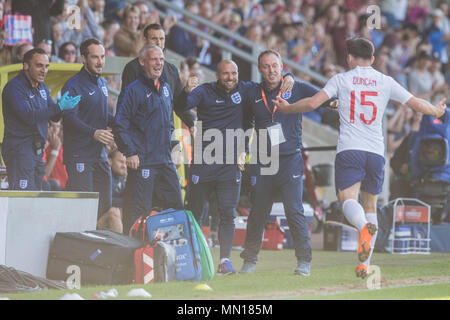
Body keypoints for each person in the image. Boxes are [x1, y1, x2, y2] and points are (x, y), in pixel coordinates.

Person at [274, 38, 447, 279]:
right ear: (373, 59)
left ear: (349, 58)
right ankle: (365, 265)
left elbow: (313, 103)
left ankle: (363, 228)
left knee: (347, 200)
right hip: (376, 152)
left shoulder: (341, 79)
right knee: (370, 206)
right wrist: (437, 111)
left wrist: (287, 108)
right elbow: (416, 104)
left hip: (350, 150)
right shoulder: (385, 81)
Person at [179, 59, 293, 275]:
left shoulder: (246, 88)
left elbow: (272, 82)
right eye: (225, 74)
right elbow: (181, 105)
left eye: (233, 73)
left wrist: (289, 77)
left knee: (227, 213)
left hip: (230, 164)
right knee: (195, 212)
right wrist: (186, 90)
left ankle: (224, 261)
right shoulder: (203, 91)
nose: (230, 77)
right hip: (204, 162)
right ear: (217, 74)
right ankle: (191, 258)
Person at [239, 49, 317, 276]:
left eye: (275, 65)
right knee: (258, 213)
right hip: (264, 162)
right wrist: (242, 152)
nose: (271, 70)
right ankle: (249, 261)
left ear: (281, 66)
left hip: (291, 160)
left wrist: (334, 105)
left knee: (294, 211)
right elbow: (245, 125)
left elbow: (322, 97)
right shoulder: (252, 92)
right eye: (266, 66)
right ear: (260, 69)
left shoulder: (296, 87)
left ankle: (304, 261)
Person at [113, 45, 184, 231]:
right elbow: (120, 123)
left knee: (176, 206)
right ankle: (133, 255)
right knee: (139, 212)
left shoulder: (167, 88)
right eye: (154, 59)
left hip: (165, 160)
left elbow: (169, 123)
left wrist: (175, 148)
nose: (159, 63)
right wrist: (130, 152)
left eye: (161, 59)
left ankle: (175, 253)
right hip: (143, 162)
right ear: (142, 62)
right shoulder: (133, 90)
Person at [1, 48, 80, 190]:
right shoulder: (14, 88)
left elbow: (54, 117)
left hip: (37, 150)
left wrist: (63, 107)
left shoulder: (42, 87)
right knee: (23, 198)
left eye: (46, 66)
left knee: (36, 195)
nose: (44, 70)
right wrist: (58, 107)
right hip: (19, 149)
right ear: (26, 66)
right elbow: (28, 117)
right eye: (39, 65)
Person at [61, 38, 116, 225]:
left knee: (105, 205)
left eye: (102, 57)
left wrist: (122, 123)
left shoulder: (101, 83)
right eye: (95, 57)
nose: (100, 61)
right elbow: (68, 117)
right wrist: (93, 132)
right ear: (83, 58)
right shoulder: (73, 85)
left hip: (99, 154)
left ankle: (97, 246)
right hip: (79, 154)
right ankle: (79, 245)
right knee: (83, 206)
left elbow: (101, 115)